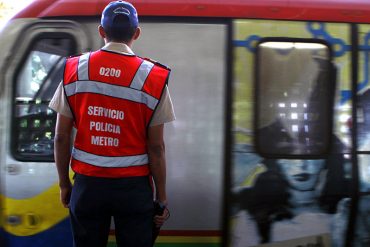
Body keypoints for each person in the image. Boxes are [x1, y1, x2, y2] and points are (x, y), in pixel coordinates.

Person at [49, 1, 175, 246]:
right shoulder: (153, 77)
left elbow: (61, 137)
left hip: (88, 186)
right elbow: (156, 148)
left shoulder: (74, 69)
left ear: (101, 31)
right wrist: (161, 197)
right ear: (136, 33)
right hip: (134, 189)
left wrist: (65, 183)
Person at [231, 137, 351, 246]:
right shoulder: (253, 212)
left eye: (311, 153)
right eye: (289, 153)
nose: (301, 164)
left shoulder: (344, 211)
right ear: (277, 160)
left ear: (326, 160)